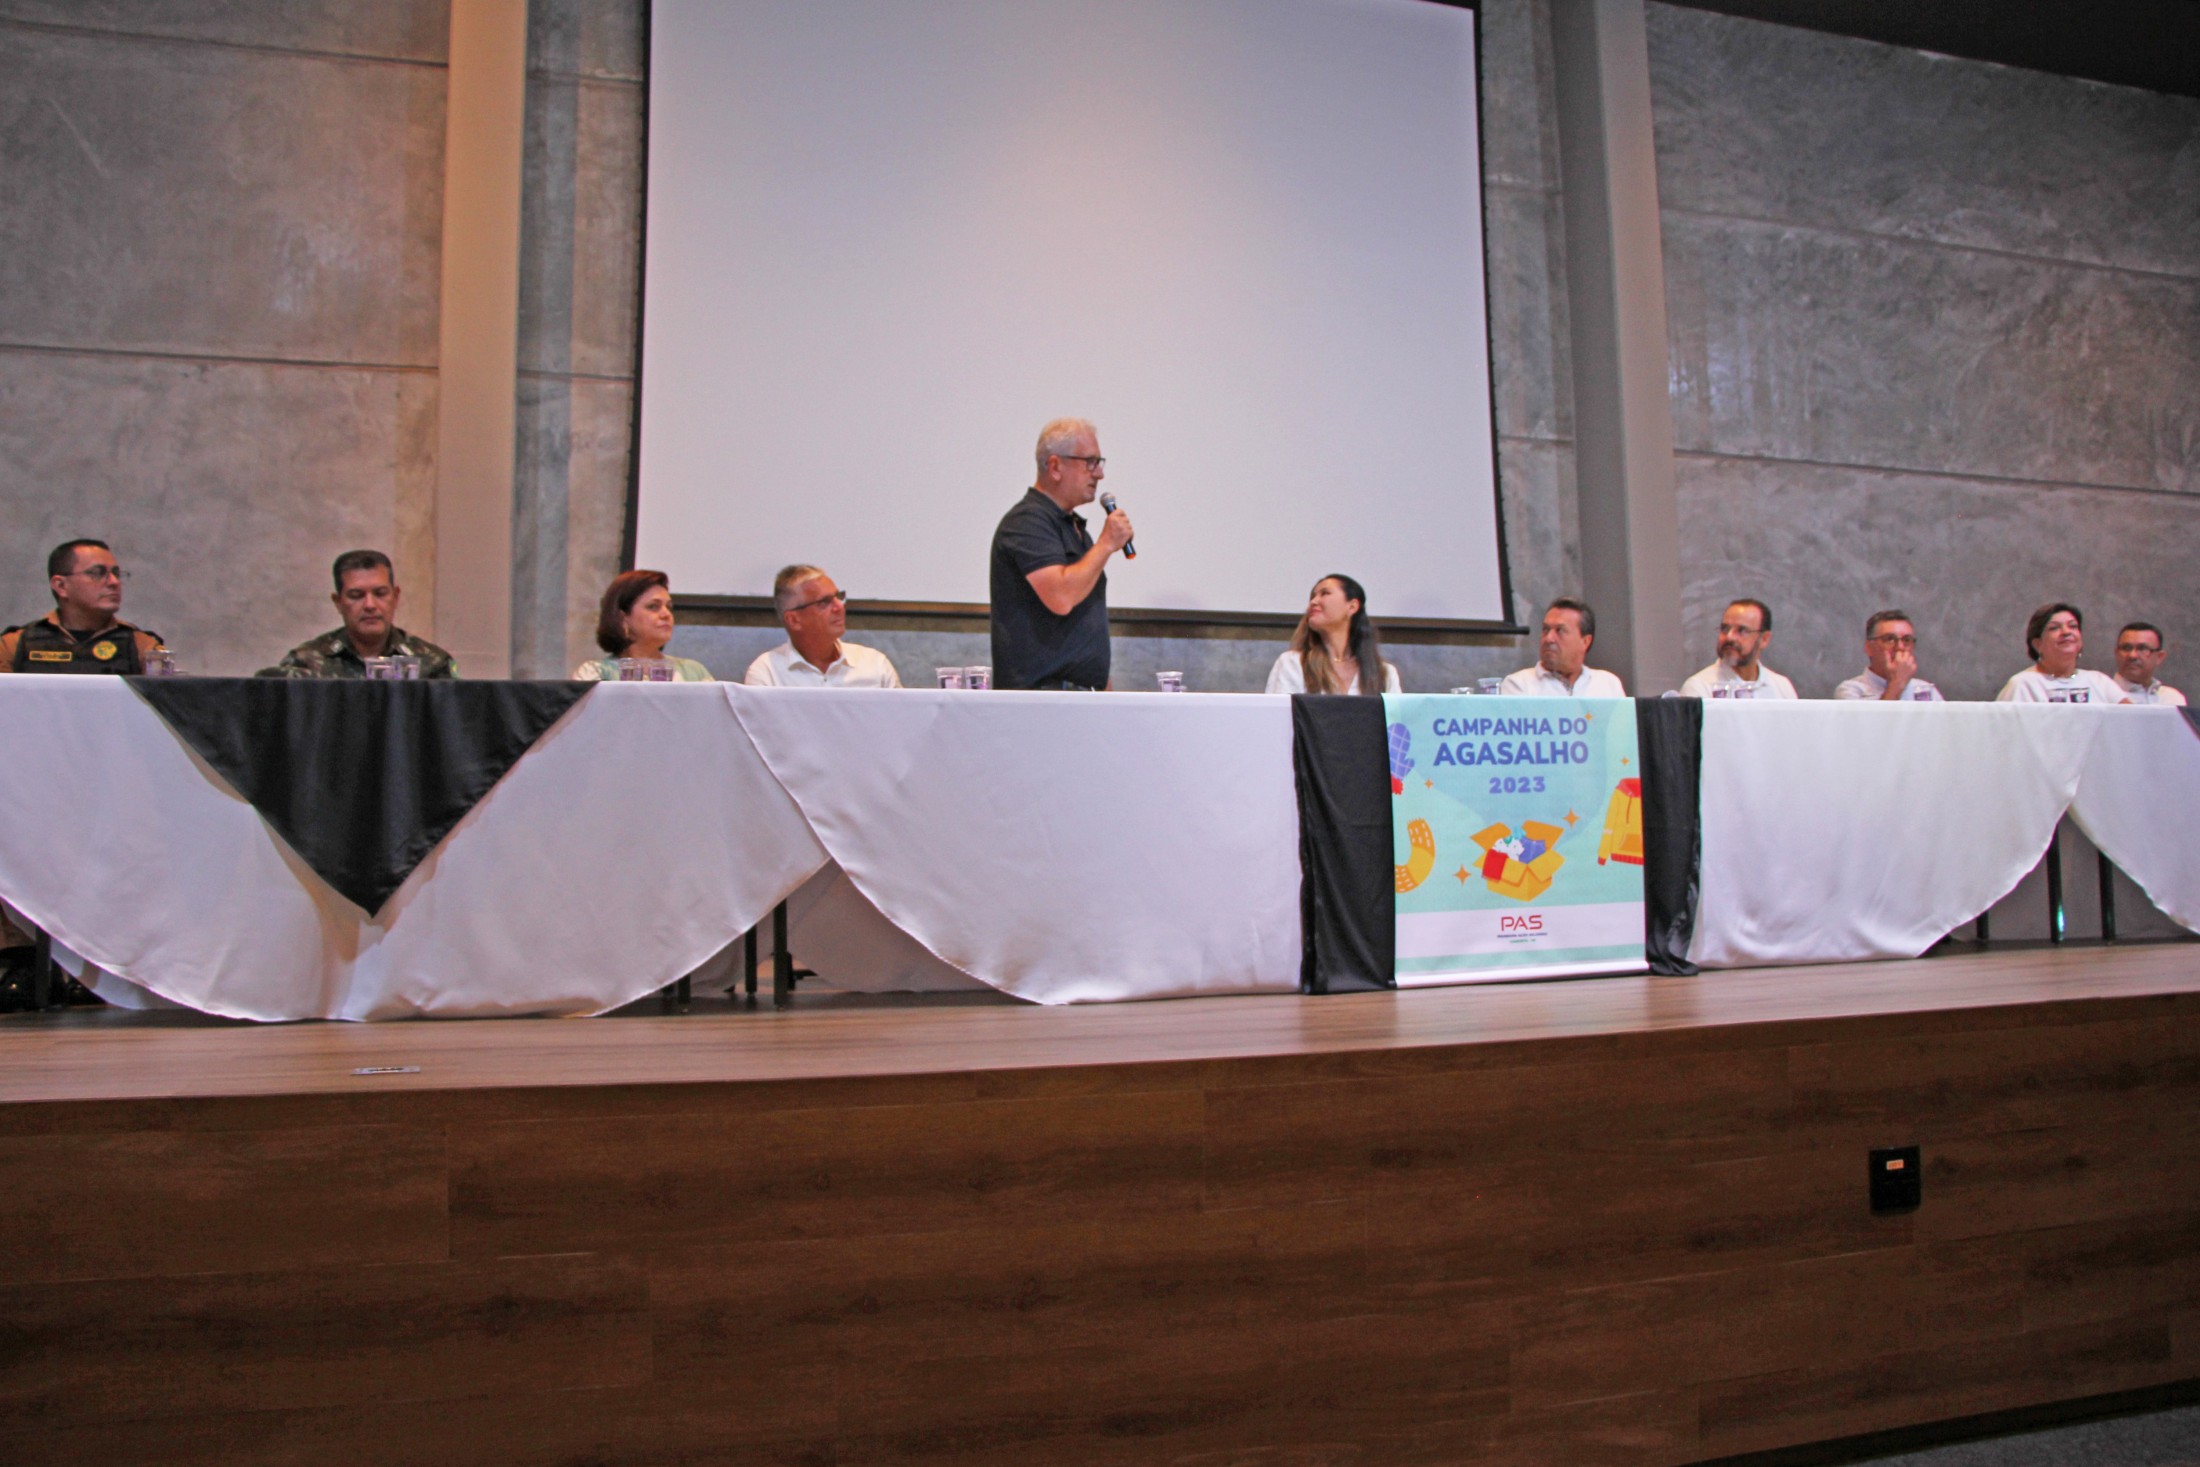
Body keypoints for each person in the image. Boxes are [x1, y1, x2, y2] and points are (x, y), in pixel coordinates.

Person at [989, 417, 1133, 690]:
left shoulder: (1072, 527)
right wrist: (1105, 544)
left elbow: (1083, 623)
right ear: (1055, 466)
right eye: (1090, 462)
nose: (1099, 474)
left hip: (1078, 697)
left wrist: (1101, 686)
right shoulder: (1026, 523)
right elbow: (1061, 597)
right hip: (1041, 700)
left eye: (1099, 463)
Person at [273, 550, 456, 678]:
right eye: (356, 596)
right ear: (338, 602)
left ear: (395, 597)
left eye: (380, 594)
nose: (370, 605)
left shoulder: (432, 664)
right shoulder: (307, 663)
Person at [1, 539, 164, 675]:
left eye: (116, 573)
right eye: (97, 573)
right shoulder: (14, 645)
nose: (114, 582)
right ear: (61, 586)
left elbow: (163, 700)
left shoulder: (142, 647)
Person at [744, 565, 901, 687]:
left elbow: (903, 719)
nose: (839, 606)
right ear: (794, 620)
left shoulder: (874, 665)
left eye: (838, 597)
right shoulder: (767, 673)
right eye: (824, 602)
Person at [1266, 574, 1401, 695]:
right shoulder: (1293, 662)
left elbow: (1396, 715)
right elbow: (1278, 713)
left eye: (1325, 593)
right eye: (1313, 597)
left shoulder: (1384, 673)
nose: (1313, 602)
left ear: (1352, 606)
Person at [573, 570, 713, 681]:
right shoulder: (595, 673)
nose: (666, 614)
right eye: (653, 606)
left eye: (669, 607)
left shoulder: (694, 673)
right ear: (623, 617)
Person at [1997, 603, 2127, 703]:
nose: (2066, 632)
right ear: (2037, 644)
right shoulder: (2023, 684)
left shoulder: (2100, 682)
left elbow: (2132, 719)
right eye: (2054, 628)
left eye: (2073, 626)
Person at [1499, 598, 1625, 697]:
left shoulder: (1608, 684)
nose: (1549, 638)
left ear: (1585, 641)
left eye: (1560, 630)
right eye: (1546, 629)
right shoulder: (1519, 685)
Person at [1679, 598, 1797, 699]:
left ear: (1764, 639)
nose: (1729, 637)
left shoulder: (1782, 687)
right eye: (1725, 629)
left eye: (1742, 631)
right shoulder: (1700, 687)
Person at [1834, 609, 1942, 701]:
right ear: (1869, 648)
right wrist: (1897, 683)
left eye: (1907, 640)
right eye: (1889, 639)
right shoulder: (1851, 690)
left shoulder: (1925, 690)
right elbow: (1876, 721)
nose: (1900, 647)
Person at [2112, 622, 2185, 706]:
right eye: (2126, 648)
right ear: (2116, 653)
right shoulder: (2103, 695)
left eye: (2142, 648)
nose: (2132, 655)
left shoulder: (2172, 698)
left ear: (2159, 657)